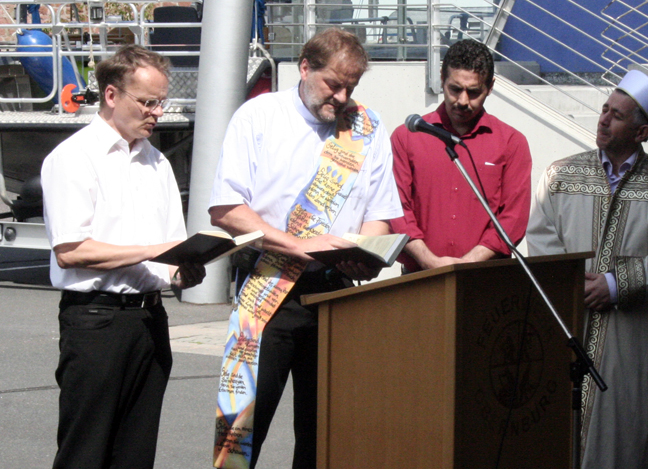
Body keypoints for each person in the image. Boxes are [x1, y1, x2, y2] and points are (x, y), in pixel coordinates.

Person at [209, 28, 402, 468]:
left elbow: (380, 212)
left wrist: (367, 252)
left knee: (325, 435)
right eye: (333, 84)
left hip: (336, 293)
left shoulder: (367, 128)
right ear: (304, 67)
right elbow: (226, 209)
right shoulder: (259, 116)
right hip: (267, 289)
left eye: (351, 87)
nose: (342, 97)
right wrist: (298, 245)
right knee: (242, 431)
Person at [41, 44, 206, 469]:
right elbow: (71, 251)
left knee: (135, 453)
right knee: (85, 452)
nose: (158, 112)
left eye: (162, 102)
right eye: (148, 102)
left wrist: (182, 271)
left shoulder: (157, 162)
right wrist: (155, 252)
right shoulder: (74, 157)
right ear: (111, 95)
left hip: (150, 319)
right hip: (96, 321)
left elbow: (170, 247)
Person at [527, 70, 648, 469]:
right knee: (555, 434)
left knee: (623, 435)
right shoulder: (560, 175)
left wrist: (616, 286)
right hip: (569, 322)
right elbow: (541, 236)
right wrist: (575, 284)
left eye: (617, 115)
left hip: (633, 337)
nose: (603, 120)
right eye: (604, 109)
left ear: (641, 132)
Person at [390, 39, 532, 272]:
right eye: (455, 89)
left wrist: (469, 262)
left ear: (490, 87)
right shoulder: (407, 137)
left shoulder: (511, 143)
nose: (463, 101)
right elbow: (396, 209)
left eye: (474, 92)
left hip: (484, 277)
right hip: (419, 277)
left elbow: (513, 217)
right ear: (441, 79)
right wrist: (428, 260)